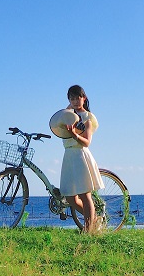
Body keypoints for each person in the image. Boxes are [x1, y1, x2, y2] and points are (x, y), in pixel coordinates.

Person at [59, 84, 105, 233]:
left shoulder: (87, 118)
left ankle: (88, 230)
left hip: (80, 155)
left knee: (85, 195)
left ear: (84, 98)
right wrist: (71, 109)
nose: (75, 101)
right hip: (69, 156)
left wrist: (74, 135)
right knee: (71, 198)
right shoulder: (69, 116)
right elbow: (62, 115)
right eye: (71, 98)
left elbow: (87, 142)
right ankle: (94, 219)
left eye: (77, 98)